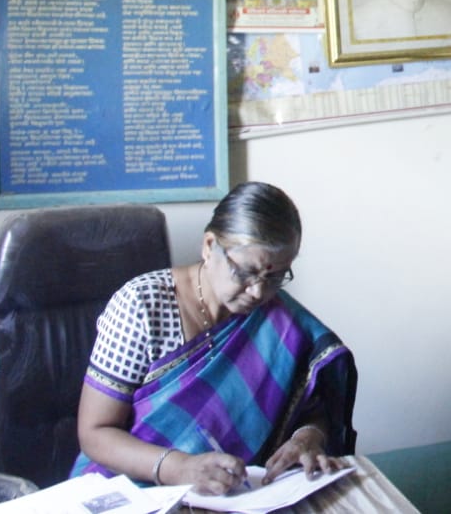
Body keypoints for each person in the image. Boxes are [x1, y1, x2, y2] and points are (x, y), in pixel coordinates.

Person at [72, 182, 357, 495]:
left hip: (234, 494)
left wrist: (307, 437)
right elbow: (95, 432)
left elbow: (311, 404)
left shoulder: (281, 319)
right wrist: (179, 468)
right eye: (245, 272)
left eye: (275, 277)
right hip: (132, 489)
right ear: (209, 246)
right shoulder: (141, 306)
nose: (258, 291)